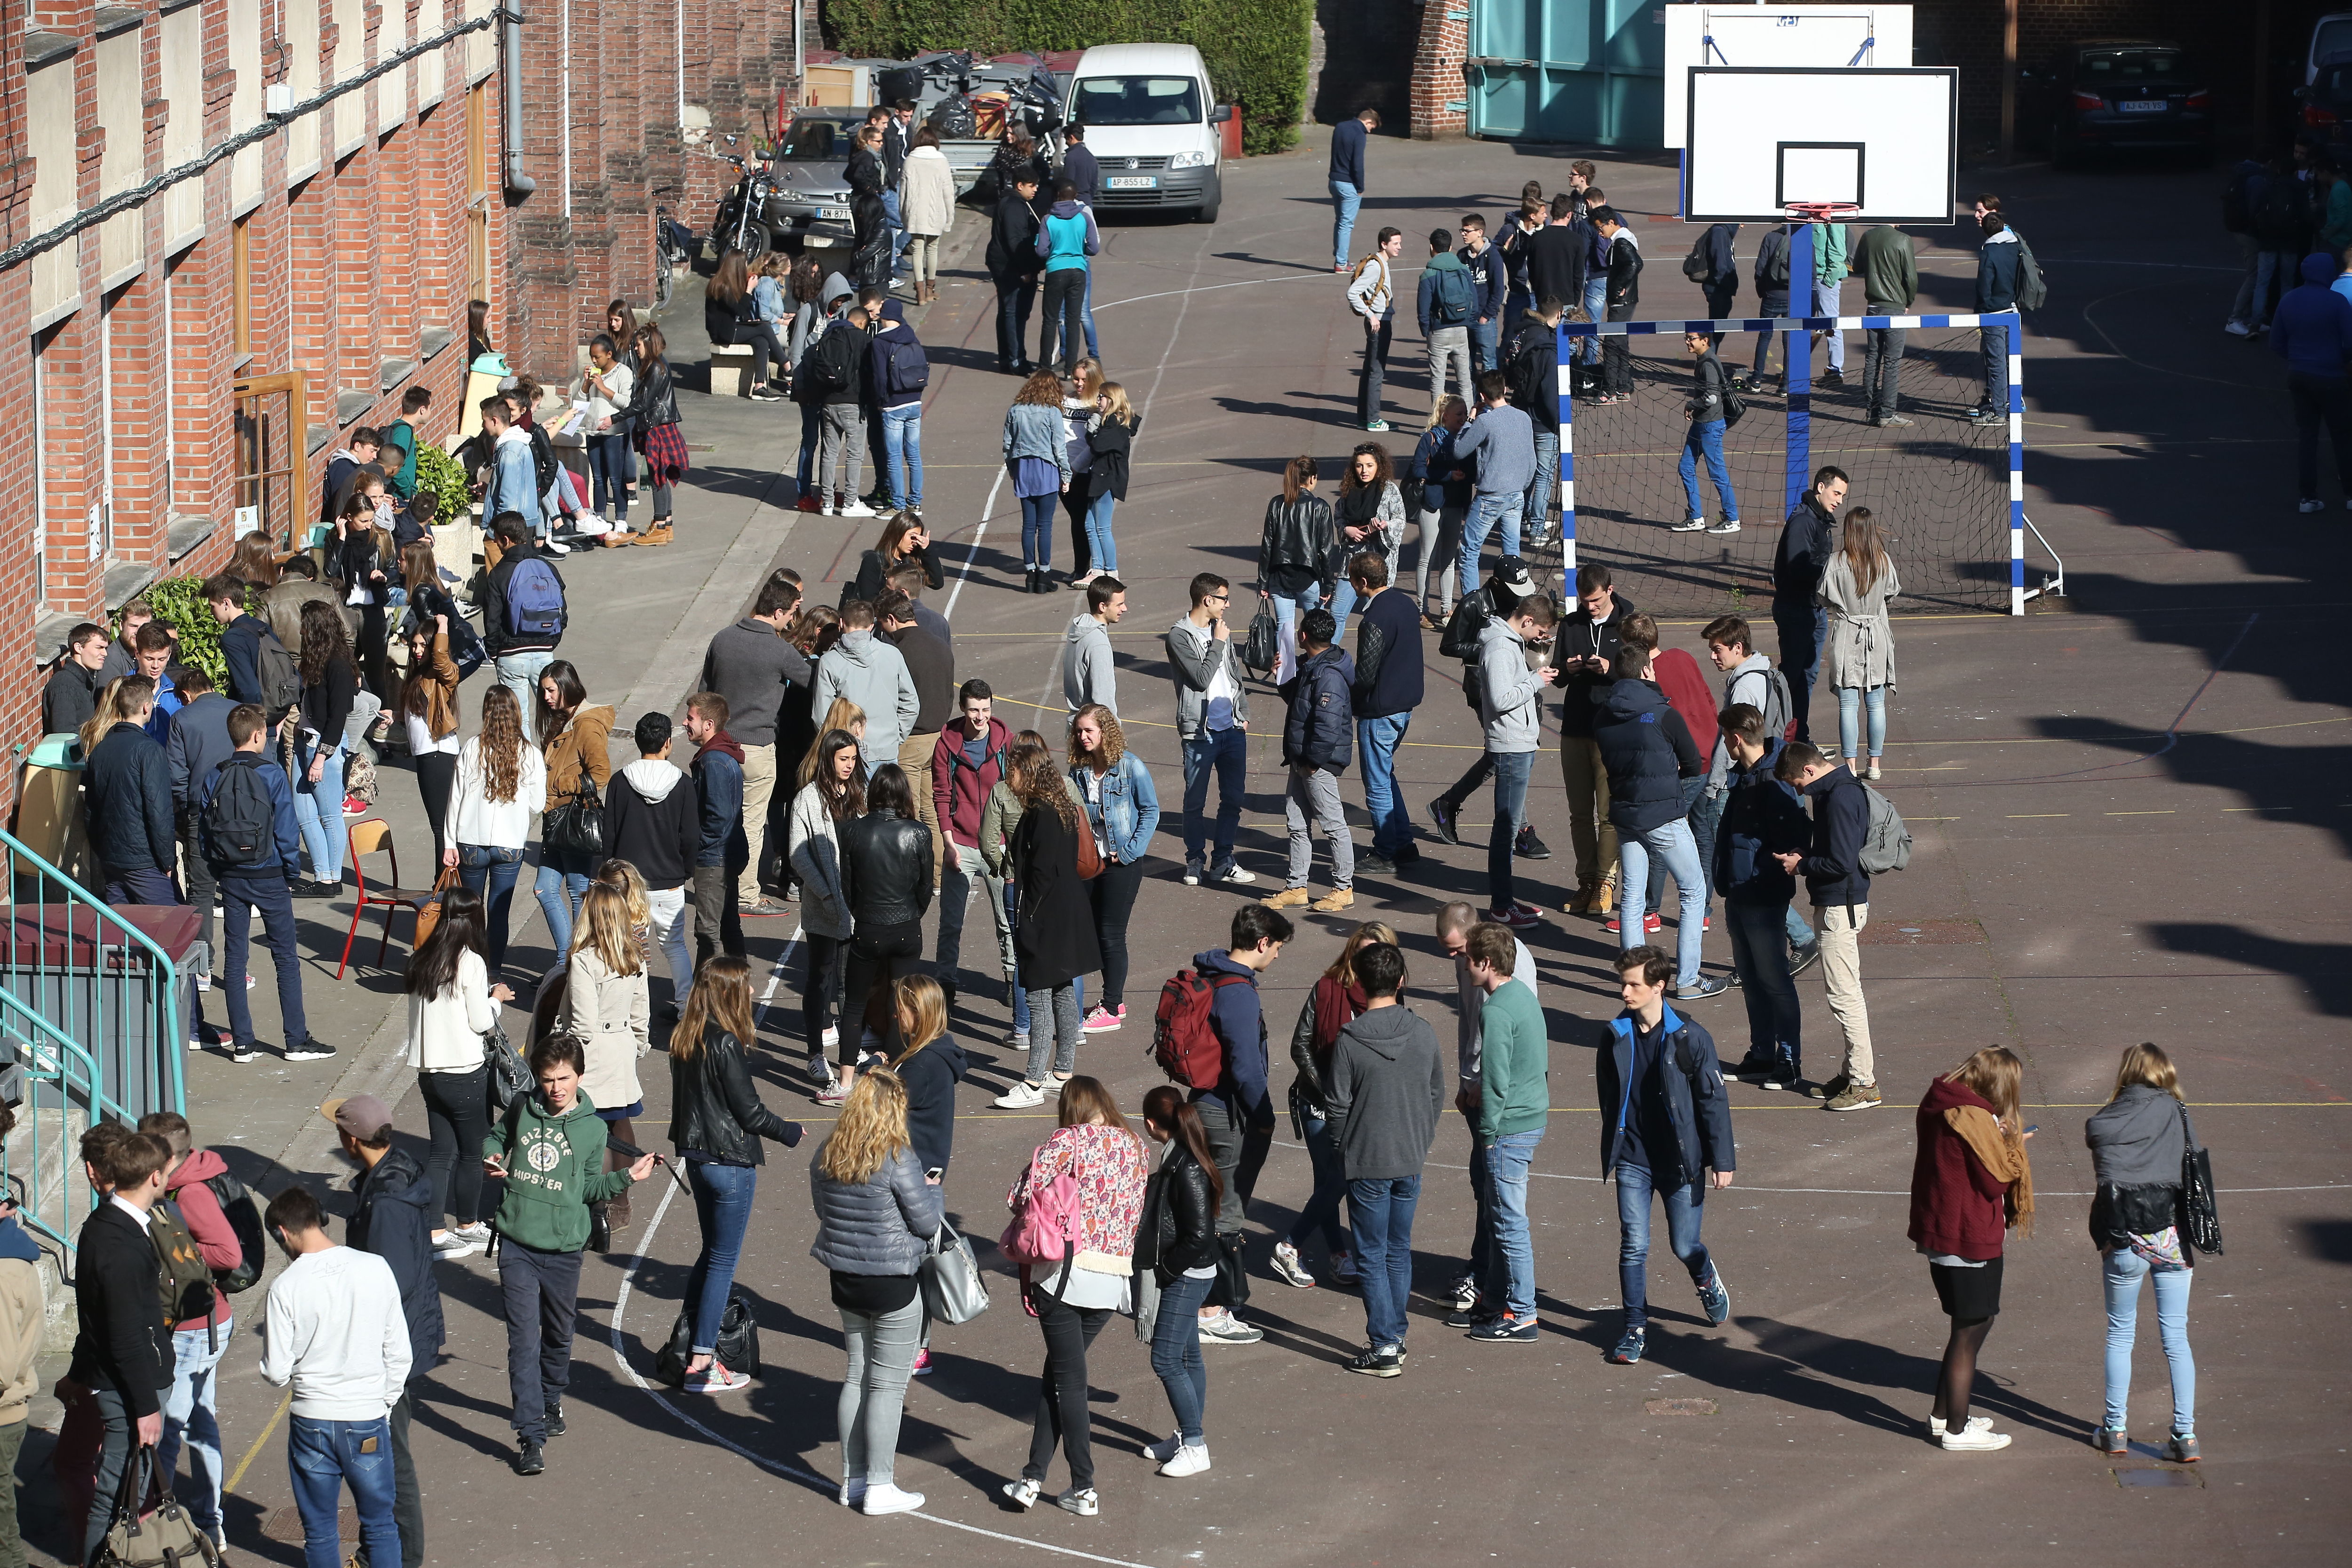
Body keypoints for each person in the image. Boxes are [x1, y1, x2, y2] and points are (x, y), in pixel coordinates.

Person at [483, 1032, 656, 1474]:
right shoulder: (522, 1107)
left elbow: (589, 1189)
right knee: (522, 1341)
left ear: (579, 1075)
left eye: (564, 1078)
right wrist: (493, 1153)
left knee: (559, 1334)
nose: (556, 1088)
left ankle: (552, 1398)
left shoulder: (593, 1128)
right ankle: (530, 1434)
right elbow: (496, 1134)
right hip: (517, 1243)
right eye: (547, 1079)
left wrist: (627, 1179)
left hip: (563, 1250)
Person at [1001, 1078, 1150, 1519]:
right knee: (1060, 1375)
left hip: (1063, 1277)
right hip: (1113, 1281)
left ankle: (1084, 1485)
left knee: (1069, 1382)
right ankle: (1031, 1478)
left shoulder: (1069, 1140)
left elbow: (1018, 1195)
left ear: (1072, 1107)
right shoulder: (1136, 1146)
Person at [664, 955, 803, 1395]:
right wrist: (790, 1132)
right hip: (728, 1163)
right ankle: (703, 1360)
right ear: (727, 993)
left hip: (697, 1158)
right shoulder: (725, 1043)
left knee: (710, 1253)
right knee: (724, 1261)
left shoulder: (686, 1037)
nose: (750, 992)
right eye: (744, 986)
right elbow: (750, 1111)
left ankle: (686, 1340)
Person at [1596, 946, 1736, 1366]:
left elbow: (1713, 1100)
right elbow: (1609, 1094)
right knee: (1634, 1245)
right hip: (1634, 1159)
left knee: (1683, 1243)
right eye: (1623, 983)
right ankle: (1634, 1328)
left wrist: (1722, 1159)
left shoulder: (1691, 1037)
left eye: (1634, 984)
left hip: (1680, 1162)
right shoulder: (1616, 1034)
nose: (1625, 991)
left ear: (1659, 986)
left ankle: (1703, 1272)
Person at [256, 1182, 408, 1568]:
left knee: (320, 1529)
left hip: (312, 1420)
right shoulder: (375, 1267)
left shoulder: (285, 1286)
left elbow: (276, 1372)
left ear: (282, 1232)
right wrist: (384, 1401)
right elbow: (400, 1354)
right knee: (380, 1525)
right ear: (320, 1220)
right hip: (367, 1417)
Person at [809, 1067, 939, 1513]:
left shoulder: (828, 1151)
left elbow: (821, 1207)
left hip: (844, 1277)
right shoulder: (899, 1157)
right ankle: (881, 1486)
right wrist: (933, 1195)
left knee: (856, 1374)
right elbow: (924, 1224)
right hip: (892, 1283)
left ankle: (854, 1479)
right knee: (888, 1386)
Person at [325, 1095, 441, 1568]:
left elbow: (387, 1283)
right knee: (384, 1455)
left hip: (389, 1348)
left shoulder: (388, 1200)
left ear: (352, 1138)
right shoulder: (395, 1175)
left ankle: (398, 1558)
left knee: (389, 1459)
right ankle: (381, 1552)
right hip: (405, 1337)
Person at [1320, 940, 1443, 1376]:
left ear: (1357, 982)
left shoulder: (1350, 1041)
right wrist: (1421, 1138)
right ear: (1402, 981)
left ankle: (1385, 1343)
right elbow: (1435, 1092)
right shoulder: (1423, 1030)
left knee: (1371, 1253)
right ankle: (1396, 1333)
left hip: (1366, 1159)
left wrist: (1342, 1147)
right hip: (1409, 1156)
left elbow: (1336, 1104)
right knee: (1397, 1249)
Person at [1910, 1045, 2034, 1451]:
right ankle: (1958, 1432)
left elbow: (1968, 1155)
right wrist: (2012, 1145)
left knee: (1971, 1323)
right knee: (1971, 1328)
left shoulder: (1945, 1100)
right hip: (1965, 1235)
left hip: (1946, 1231)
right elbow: (1995, 1180)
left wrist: (1996, 1136)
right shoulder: (1973, 1117)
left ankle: (1943, 1416)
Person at [1594, 614, 1722, 998]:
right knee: (1693, 888)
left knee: (1632, 895)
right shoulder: (1664, 714)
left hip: (1626, 810)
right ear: (1648, 669)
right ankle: (1687, 979)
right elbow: (1691, 759)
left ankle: (1634, 976)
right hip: (1663, 811)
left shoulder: (1605, 715)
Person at [2086, 1043, 2201, 1463]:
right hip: (2169, 1234)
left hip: (2123, 1236)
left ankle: (2115, 1429)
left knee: (2121, 1333)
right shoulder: (2175, 1111)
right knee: (2176, 1336)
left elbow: (2103, 1162)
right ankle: (2185, 1434)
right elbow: (2194, 1165)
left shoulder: (2104, 1121)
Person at [65, 1128, 173, 1564]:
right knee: (119, 1490)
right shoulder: (120, 1246)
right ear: (153, 1177)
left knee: (127, 1487)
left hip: (131, 1382)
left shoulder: (109, 1224)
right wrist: (146, 1406)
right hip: (131, 1390)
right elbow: (126, 1335)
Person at [201, 703, 329, 1063]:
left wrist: (218, 869)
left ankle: (243, 1043)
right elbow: (287, 830)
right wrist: (290, 871)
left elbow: (203, 831)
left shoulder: (215, 775)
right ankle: (296, 1040)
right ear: (258, 735)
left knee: (235, 959)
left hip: (231, 875)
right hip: (270, 873)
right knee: (285, 957)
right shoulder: (272, 774)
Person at [137, 1113, 242, 1556]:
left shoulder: (193, 1192)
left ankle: (168, 1533)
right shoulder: (190, 1180)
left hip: (193, 1328)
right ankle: (209, 1522)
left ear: (164, 1156)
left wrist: (173, 1246)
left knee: (170, 1427)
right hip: (204, 1322)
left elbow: (229, 1252)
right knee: (201, 1418)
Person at [1189, 902, 1291, 1345]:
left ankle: (1207, 1299)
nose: (1278, 956)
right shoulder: (1239, 992)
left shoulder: (1210, 974)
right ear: (1262, 942)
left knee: (1210, 1205)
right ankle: (1213, 1309)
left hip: (1202, 1102)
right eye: (1278, 947)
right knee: (1226, 1212)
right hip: (1226, 1111)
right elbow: (1247, 1067)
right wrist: (1264, 1117)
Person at [404, 884, 514, 1258]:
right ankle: (467, 1224)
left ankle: (435, 1231)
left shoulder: (422, 958)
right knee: (471, 1153)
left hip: (428, 1072)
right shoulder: (471, 962)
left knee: (440, 1153)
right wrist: (496, 1000)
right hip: (465, 1072)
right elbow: (481, 1021)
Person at [1435, 907, 1533, 1326]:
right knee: (1484, 1184)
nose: (1456, 959)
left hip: (1501, 1098)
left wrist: (1479, 1089)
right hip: (1481, 1085)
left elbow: (1506, 1041)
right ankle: (1488, 1279)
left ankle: (1501, 1290)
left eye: (1459, 950)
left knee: (1498, 1195)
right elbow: (1468, 1023)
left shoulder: (1511, 973)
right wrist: (1465, 1077)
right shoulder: (1470, 963)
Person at [1280, 921, 1390, 1290]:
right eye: (1360, 951)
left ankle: (1324, 1250)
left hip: (1366, 1103)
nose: (1366, 960)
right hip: (1319, 1101)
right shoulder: (1327, 987)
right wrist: (1330, 1090)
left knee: (1339, 1179)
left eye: (1374, 953)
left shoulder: (1388, 993)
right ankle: (1334, 1253)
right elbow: (1301, 1044)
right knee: (1333, 1177)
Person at [1773, 740, 1880, 1111]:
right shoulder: (1837, 789)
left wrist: (1800, 865)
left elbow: (1842, 861)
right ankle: (1853, 1073)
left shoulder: (1838, 797)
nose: (1800, 792)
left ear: (1809, 770)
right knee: (1845, 994)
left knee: (1845, 996)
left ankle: (1865, 1082)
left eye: (1798, 785)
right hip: (1839, 902)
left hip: (1841, 905)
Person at [1713, 703, 1812, 1090]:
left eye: (1725, 737)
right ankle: (1762, 1052)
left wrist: (1760, 877)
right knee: (1752, 979)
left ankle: (1788, 1058)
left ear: (1736, 738)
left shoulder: (1774, 781)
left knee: (1774, 979)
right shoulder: (1745, 775)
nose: (1724, 744)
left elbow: (1793, 841)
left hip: (1761, 894)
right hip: (1739, 892)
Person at [1457, 921, 1547, 1343]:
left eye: (1470, 959)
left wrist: (1488, 1134)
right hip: (1531, 1117)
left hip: (1509, 1127)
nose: (1465, 965)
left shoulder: (1494, 1010)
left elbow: (1493, 1081)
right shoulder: (1522, 997)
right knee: (1504, 1218)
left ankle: (1523, 1313)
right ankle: (1496, 1298)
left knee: (1510, 1223)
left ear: (1486, 963)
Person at [995, 747, 1099, 1107]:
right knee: (1063, 991)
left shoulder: (1041, 814)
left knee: (1038, 996)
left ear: (1030, 773)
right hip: (1067, 912)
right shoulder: (1061, 808)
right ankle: (1062, 1072)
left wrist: (1028, 922)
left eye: (1015, 771)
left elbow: (1040, 875)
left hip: (1046, 916)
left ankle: (1034, 1081)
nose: (1010, 778)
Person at [697, 579, 798, 915]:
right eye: (791, 614)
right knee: (752, 824)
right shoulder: (780, 650)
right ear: (778, 611)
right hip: (757, 747)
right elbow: (815, 681)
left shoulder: (722, 639)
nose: (792, 622)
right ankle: (746, 894)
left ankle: (710, 885)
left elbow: (704, 691)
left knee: (715, 820)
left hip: (717, 746)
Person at [560, 882, 652, 1243]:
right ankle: (622, 1203)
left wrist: (567, 1059)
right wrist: (637, 1045)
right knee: (620, 1122)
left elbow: (582, 1022)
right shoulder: (633, 956)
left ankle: (595, 1211)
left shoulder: (584, 960)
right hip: (622, 1046)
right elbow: (640, 1009)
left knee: (592, 1132)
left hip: (592, 1052)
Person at [1136, 1086, 1220, 1474]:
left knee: (1165, 1357)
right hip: (1190, 1271)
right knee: (1188, 1356)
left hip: (1186, 1274)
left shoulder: (1184, 1165)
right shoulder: (1183, 1156)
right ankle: (1189, 1434)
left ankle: (1196, 1444)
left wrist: (1167, 1270)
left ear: (1153, 1124)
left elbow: (1199, 1234)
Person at [889, 973, 965, 1378]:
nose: (895, 1014)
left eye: (900, 1008)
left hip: (913, 1175)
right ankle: (915, 1344)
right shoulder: (935, 1055)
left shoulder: (920, 1064)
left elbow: (885, 1110)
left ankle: (915, 1347)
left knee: (910, 1266)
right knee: (914, 1262)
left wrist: (877, 1077)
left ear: (917, 1013)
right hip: (927, 1170)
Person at [441, 684, 544, 973]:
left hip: (471, 842)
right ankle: (493, 972)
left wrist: (450, 843)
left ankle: (466, 969)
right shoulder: (530, 754)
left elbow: (455, 800)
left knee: (470, 914)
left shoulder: (472, 748)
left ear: (487, 713)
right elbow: (537, 804)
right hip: (509, 844)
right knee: (499, 914)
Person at [1067, 704, 1157, 1034]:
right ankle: (1112, 1000)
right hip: (1091, 862)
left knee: (1111, 934)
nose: (1083, 736)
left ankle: (1111, 1006)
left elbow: (1151, 811)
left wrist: (1131, 851)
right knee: (1094, 932)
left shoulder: (1130, 766)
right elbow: (1074, 809)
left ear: (1105, 731)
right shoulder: (1079, 768)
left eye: (1089, 730)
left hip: (1122, 863)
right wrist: (1097, 814)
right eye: (1079, 731)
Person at [602, 711, 698, 1013]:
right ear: (668, 743)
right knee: (674, 946)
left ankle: (632, 1009)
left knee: (629, 949)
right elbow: (691, 836)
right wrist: (684, 871)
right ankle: (685, 1007)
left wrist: (611, 873)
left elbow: (609, 834)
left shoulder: (620, 782)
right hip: (669, 883)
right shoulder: (682, 784)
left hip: (628, 885)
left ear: (637, 740)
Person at [838, 763, 932, 1068]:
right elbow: (926, 886)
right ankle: (893, 1068)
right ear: (904, 793)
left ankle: (846, 1079)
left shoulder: (854, 830)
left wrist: (863, 913)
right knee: (902, 1003)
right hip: (906, 926)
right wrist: (912, 914)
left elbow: (848, 885)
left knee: (854, 1005)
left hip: (868, 926)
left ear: (874, 792)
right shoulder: (919, 832)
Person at [1164, 573, 1254, 888]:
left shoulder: (1222, 631)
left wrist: (1241, 712)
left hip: (1231, 730)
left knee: (1232, 799)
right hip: (1200, 733)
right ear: (1208, 600)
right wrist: (1217, 641)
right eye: (1224, 598)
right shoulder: (1179, 636)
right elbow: (1201, 678)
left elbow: (1232, 674)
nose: (1228, 604)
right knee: (1194, 801)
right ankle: (1195, 860)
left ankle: (1224, 860)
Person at [1263, 607, 1356, 914]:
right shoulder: (1312, 665)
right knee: (1297, 822)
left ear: (1304, 636)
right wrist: (1282, 677)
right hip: (1303, 758)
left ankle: (1343, 889)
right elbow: (1299, 700)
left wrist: (1313, 762)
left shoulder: (1328, 675)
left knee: (1333, 825)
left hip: (1316, 761)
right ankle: (1296, 887)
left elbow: (1328, 725)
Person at [1478, 589, 1558, 930]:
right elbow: (1500, 698)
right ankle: (1501, 905)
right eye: (1540, 633)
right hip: (1510, 745)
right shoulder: (1499, 647)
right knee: (1506, 828)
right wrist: (1535, 683)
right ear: (1527, 620)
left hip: (1519, 742)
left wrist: (1530, 681)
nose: (1541, 640)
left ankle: (1506, 899)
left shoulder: (1510, 643)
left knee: (1508, 827)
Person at [931, 682, 1016, 1001]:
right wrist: (949, 843)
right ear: (963, 710)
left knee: (1007, 919)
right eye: (974, 710)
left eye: (986, 709)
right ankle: (945, 982)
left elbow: (1017, 793)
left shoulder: (1006, 742)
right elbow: (941, 795)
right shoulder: (946, 746)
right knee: (950, 922)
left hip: (1000, 845)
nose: (980, 716)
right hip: (962, 844)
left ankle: (1012, 978)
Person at [1344, 551, 1422, 875]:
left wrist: (1346, 697)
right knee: (1387, 776)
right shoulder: (1405, 604)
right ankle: (1403, 842)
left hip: (1380, 712)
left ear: (1363, 583)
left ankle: (1386, 850)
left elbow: (1365, 674)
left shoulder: (1374, 619)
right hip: (1404, 706)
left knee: (1377, 783)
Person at [532, 661, 613, 958]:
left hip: (573, 819)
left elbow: (601, 774)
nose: (546, 697)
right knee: (544, 888)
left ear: (568, 687)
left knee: (579, 893)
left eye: (551, 690)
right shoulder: (566, 721)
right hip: (556, 819)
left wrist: (558, 783)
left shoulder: (587, 725)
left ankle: (573, 966)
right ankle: (565, 961)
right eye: (544, 691)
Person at [82, 675, 180, 907]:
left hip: (112, 859)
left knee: (122, 933)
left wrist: (103, 850)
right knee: (168, 928)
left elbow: (90, 810)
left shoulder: (100, 750)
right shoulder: (150, 750)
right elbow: (160, 812)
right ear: (147, 708)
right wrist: (167, 861)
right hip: (143, 860)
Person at [1820, 507, 1899, 780]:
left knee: (1848, 705)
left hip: (1847, 635)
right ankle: (1875, 764)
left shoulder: (1836, 562)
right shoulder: (1884, 561)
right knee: (1876, 704)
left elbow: (1823, 596)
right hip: (1877, 634)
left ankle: (1851, 767)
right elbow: (1891, 592)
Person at [2269, 250, 2352, 511]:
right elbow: (2350, 343)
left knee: (2307, 436)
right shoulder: (2337, 301)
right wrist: (2339, 361)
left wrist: (2297, 358)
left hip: (2299, 374)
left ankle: (2308, 497)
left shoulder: (2289, 300)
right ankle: (2351, 495)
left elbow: (2276, 342)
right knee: (2342, 436)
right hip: (2331, 376)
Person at [1773, 465, 1846, 746]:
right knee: (1794, 677)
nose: (1839, 500)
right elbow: (1797, 566)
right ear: (1821, 488)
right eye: (1836, 493)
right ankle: (1784, 739)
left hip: (1812, 608)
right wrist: (1833, 571)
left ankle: (1798, 736)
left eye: (1842, 495)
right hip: (1797, 609)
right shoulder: (1805, 522)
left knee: (1807, 676)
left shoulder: (1820, 519)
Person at [479, 515, 569, 738]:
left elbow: (492, 621)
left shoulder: (499, 574)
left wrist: (494, 652)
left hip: (511, 655)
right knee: (555, 715)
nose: (498, 546)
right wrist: (550, 641)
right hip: (545, 654)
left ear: (506, 539)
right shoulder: (547, 567)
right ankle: (555, 765)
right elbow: (562, 613)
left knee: (520, 720)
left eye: (498, 541)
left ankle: (527, 770)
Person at [0, 1115, 43, 1568]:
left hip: (2, 1411)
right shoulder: (15, 1255)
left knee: (2, 1532)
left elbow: (0, 1364)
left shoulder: (1, 1271)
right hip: (12, 1409)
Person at [1257, 453, 1337, 686]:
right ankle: (1319, 674)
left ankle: (1284, 679)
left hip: (1279, 577)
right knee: (1317, 629)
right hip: (1310, 577)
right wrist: (1328, 584)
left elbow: (1268, 545)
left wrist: (1263, 582)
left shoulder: (1277, 504)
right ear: (1312, 478)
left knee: (1284, 630)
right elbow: (1325, 550)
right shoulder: (1320, 507)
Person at [1453, 372, 1535, 595]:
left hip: (1490, 496)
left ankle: (1472, 602)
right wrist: (1522, 486)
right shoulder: (1523, 418)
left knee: (1470, 551)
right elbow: (1532, 461)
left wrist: (1471, 418)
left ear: (1482, 395)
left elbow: (1460, 450)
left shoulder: (1484, 422)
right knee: (1512, 553)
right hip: (1516, 493)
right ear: (1505, 389)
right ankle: (1517, 599)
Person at [682, 693, 748, 967]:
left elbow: (718, 818)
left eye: (690, 718)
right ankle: (737, 994)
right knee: (728, 926)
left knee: (708, 932)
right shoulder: (720, 757)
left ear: (708, 724)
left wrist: (697, 846)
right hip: (726, 854)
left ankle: (706, 1005)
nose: (685, 722)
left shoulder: (713, 762)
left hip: (714, 859)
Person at [812, 599, 918, 770]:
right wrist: (895, 736)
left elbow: (821, 716)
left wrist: (837, 746)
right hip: (887, 752)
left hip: (848, 756)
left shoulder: (829, 661)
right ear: (871, 626)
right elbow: (911, 703)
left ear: (841, 623)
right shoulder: (892, 654)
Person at [397, 613, 463, 852]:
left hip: (438, 753)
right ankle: (444, 885)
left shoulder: (442, 675)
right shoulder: (417, 677)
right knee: (441, 826)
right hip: (427, 755)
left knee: (441, 828)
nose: (417, 650)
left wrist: (443, 626)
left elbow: (441, 659)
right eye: (414, 645)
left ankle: (443, 886)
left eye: (424, 645)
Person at [1003, 368, 1073, 590]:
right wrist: (1066, 474)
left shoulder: (1016, 409)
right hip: (1046, 468)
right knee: (1045, 526)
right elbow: (1059, 448)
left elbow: (1008, 444)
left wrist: (1012, 469)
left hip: (1024, 467)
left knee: (1028, 525)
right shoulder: (1052, 412)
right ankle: (1044, 574)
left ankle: (1030, 571)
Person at [1328, 442, 1404, 639]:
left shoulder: (1389, 490)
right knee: (1337, 612)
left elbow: (1400, 520)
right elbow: (1339, 517)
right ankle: (1328, 658)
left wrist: (1385, 526)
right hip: (1352, 563)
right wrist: (1347, 530)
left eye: (1369, 465)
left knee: (1375, 617)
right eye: (1360, 466)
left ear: (1379, 465)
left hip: (1378, 565)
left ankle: (1374, 658)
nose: (1364, 471)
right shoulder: (1349, 489)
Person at [1503, 295, 1565, 537]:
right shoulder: (1548, 348)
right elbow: (1550, 392)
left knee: (1527, 472)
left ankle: (1524, 518)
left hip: (1522, 414)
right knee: (1544, 476)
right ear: (1558, 315)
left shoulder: (1521, 334)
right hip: (1543, 421)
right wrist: (1560, 422)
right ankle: (1537, 529)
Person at [1671, 330, 1741, 535]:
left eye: (1691, 339)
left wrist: (1691, 403)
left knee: (1717, 472)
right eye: (1686, 338)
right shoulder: (1703, 359)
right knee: (1686, 467)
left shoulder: (1708, 364)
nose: (1687, 342)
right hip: (1700, 424)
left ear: (1705, 340)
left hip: (1710, 426)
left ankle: (1732, 518)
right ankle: (1696, 518)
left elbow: (1711, 398)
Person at [1408, 397, 1472, 623]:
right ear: (1445, 416)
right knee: (1427, 557)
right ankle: (1422, 609)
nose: (1463, 418)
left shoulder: (1466, 439)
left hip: (1455, 504)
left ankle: (1447, 609)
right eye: (1459, 415)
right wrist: (1448, 476)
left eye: (1465, 413)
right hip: (1433, 503)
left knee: (1449, 559)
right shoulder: (1430, 438)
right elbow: (1418, 469)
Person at [622, 322, 683, 545]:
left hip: (656, 427)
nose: (636, 350)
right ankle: (666, 525)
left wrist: (615, 417)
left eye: (638, 345)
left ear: (648, 344)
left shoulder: (656, 368)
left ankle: (660, 527)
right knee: (662, 477)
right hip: (660, 425)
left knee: (657, 476)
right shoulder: (657, 365)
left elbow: (644, 403)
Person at [867, 301, 929, 516]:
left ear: (883, 316)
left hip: (893, 405)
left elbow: (880, 377)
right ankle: (915, 502)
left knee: (893, 457)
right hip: (915, 401)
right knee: (913, 455)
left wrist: (880, 402)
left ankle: (898, 506)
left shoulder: (879, 342)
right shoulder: (911, 335)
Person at [1854, 223, 1917, 427]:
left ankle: (1872, 410)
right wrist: (1908, 301)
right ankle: (1887, 412)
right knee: (1891, 361)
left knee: (1873, 357)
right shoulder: (1903, 239)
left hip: (1873, 305)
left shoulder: (1868, 236)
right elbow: (1911, 277)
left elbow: (1857, 267)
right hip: (1894, 307)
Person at [1034, 181, 1099, 375]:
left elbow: (1041, 250)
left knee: (1050, 319)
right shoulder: (1084, 217)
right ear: (1075, 196)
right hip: (1078, 270)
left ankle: (1045, 366)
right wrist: (1080, 250)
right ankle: (1071, 367)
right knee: (1073, 320)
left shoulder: (1048, 219)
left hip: (1056, 271)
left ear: (1057, 196)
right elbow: (1094, 248)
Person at [988, 172, 1045, 374]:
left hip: (1004, 264)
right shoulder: (1015, 206)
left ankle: (1008, 357)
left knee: (1008, 312)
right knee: (1015, 313)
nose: (1035, 189)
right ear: (1020, 185)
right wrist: (1025, 270)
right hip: (1011, 267)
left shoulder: (1012, 203)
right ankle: (1016, 359)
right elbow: (1015, 242)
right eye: (1032, 185)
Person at [1419, 227, 1477, 424]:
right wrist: (1468, 323)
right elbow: (1474, 301)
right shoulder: (1463, 269)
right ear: (1451, 247)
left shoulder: (1429, 274)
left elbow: (1423, 309)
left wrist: (1426, 331)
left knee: (1438, 381)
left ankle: (1439, 423)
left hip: (1439, 331)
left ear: (1431, 247)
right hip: (1462, 330)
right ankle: (1469, 422)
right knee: (1465, 382)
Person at [1081, 381, 1136, 582]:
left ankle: (1110, 571)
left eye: (1101, 397)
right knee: (1090, 524)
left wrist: (1093, 431)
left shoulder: (1116, 423)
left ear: (1112, 399)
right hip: (1101, 476)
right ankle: (1097, 569)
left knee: (1102, 527)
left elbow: (1099, 445)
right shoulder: (1112, 422)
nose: (1098, 401)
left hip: (1107, 478)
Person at [1348, 227, 1403, 431]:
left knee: (1370, 371)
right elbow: (1353, 293)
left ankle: (1365, 418)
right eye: (1395, 243)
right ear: (1384, 244)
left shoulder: (1380, 264)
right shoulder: (1376, 266)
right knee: (1376, 372)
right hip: (1379, 323)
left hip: (1379, 320)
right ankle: (1373, 419)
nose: (1400, 247)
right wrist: (1370, 315)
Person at [1972, 212, 2022, 427]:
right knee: (2013, 360)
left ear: (1985, 230)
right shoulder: (2015, 247)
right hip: (2013, 310)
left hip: (1994, 312)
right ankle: (2015, 403)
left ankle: (1999, 411)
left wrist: (1980, 309)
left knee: (1996, 364)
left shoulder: (1989, 252)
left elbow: (1984, 285)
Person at [1589, 207, 1641, 401]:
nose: (1599, 232)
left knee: (1611, 344)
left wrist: (1618, 286)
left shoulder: (1621, 243)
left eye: (1600, 227)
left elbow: (1635, 264)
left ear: (1611, 223)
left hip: (1622, 302)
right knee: (1620, 343)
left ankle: (1610, 391)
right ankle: (1623, 386)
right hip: (1625, 301)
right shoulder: (1623, 240)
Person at [901, 125, 955, 306]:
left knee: (917, 250)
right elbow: (949, 192)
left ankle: (919, 294)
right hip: (936, 212)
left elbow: (903, 193)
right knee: (932, 250)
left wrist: (903, 214)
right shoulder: (942, 161)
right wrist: (950, 216)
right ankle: (931, 290)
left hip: (915, 213)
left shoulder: (910, 160)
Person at [1061, 575, 1124, 716]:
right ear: (1103, 606)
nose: (1124, 609)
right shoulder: (1098, 644)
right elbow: (1103, 696)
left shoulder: (1078, 630)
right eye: (1119, 605)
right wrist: (1113, 728)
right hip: (1095, 726)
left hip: (1077, 721)